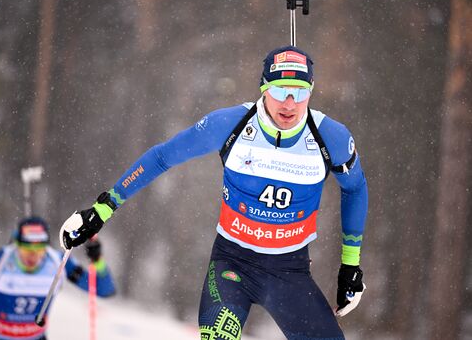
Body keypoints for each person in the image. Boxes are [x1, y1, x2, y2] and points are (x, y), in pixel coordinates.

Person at [59, 45, 368, 339]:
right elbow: (162, 157)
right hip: (232, 264)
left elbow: (355, 188)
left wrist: (350, 266)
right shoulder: (229, 124)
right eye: (279, 91)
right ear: (263, 88)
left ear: (311, 91)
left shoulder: (331, 138)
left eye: (300, 92)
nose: (289, 103)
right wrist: (103, 208)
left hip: (289, 271)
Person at [0, 216, 115, 340]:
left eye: (38, 250)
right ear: (16, 243)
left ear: (46, 247)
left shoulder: (58, 262)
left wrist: (97, 259)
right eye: (27, 249)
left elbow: (104, 290)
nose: (32, 256)